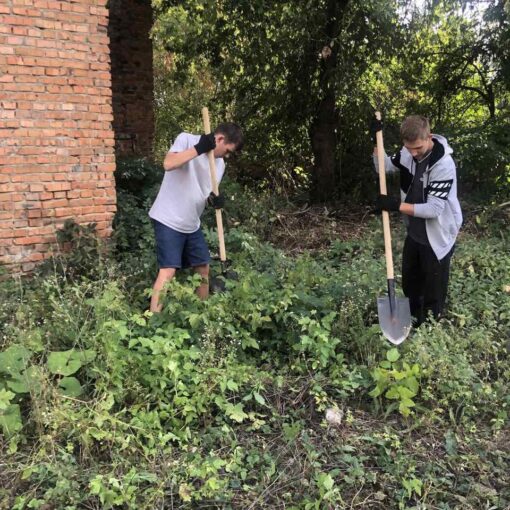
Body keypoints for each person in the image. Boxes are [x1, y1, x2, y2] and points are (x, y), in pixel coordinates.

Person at [372, 115, 462, 326]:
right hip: (415, 231)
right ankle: (412, 320)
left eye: (418, 148)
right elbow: (383, 167)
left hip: (438, 234)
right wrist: (375, 141)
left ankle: (431, 327)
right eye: (409, 148)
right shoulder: (407, 152)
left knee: (433, 289)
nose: (413, 153)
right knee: (411, 282)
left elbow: (433, 209)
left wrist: (395, 206)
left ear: (428, 137)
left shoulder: (443, 164)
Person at [149, 122, 244, 312]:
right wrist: (200, 148)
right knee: (168, 270)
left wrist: (213, 201)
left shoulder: (220, 165)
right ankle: (153, 320)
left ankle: (202, 314)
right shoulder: (186, 139)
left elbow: (204, 191)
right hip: (168, 218)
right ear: (219, 139)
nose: (226, 156)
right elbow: (168, 164)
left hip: (191, 223)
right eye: (227, 150)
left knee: (203, 268)